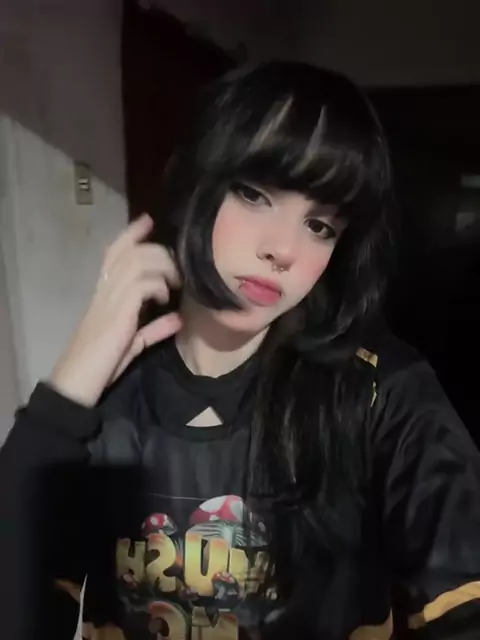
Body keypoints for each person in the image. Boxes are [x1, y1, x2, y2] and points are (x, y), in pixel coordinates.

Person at [1, 62, 480, 640]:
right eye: (255, 194)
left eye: (321, 226)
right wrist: (64, 395)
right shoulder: (106, 400)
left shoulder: (382, 392)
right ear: (194, 184)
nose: (283, 249)